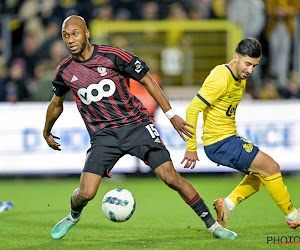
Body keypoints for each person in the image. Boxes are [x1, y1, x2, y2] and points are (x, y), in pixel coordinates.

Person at [43, 15, 237, 240]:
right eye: (66, 36)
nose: (70, 40)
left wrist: (171, 115)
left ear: (87, 33)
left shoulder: (113, 56)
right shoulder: (65, 71)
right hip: (103, 136)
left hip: (136, 126)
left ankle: (213, 226)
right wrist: (46, 131)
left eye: (75, 33)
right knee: (86, 193)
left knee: (170, 177)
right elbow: (56, 104)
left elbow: (147, 80)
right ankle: (73, 216)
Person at [181, 38, 300, 230]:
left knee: (263, 173)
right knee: (272, 167)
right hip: (220, 141)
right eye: (247, 64)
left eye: (254, 65)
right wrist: (191, 147)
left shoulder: (240, 77)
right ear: (235, 57)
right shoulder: (221, 77)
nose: (250, 70)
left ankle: (227, 204)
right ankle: (293, 216)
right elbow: (192, 110)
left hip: (226, 140)